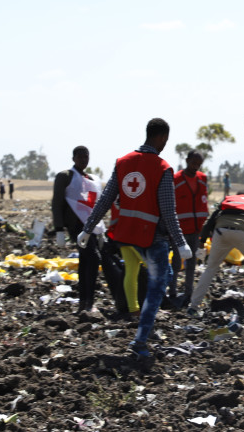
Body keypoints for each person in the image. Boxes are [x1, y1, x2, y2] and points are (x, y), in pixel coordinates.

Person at [79, 118, 192, 359]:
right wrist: (181, 242)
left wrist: (87, 228)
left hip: (126, 235)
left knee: (160, 276)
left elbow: (106, 199)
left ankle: (145, 325)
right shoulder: (162, 168)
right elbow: (168, 211)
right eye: (166, 140)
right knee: (156, 288)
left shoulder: (122, 163)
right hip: (153, 238)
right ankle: (140, 342)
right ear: (162, 138)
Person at [52, 146, 107, 313]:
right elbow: (57, 202)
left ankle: (84, 302)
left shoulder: (92, 180)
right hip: (76, 226)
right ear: (74, 158)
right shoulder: (65, 177)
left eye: (86, 157)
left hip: (91, 227)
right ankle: (88, 302)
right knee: (93, 259)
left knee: (85, 263)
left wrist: (101, 230)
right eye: (81, 157)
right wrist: (59, 229)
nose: (84, 160)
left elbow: (95, 205)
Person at [170, 150, 209, 304]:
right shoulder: (176, 180)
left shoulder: (202, 179)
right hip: (179, 230)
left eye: (199, 165)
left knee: (192, 263)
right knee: (176, 262)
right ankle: (172, 292)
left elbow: (203, 203)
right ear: (187, 160)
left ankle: (188, 293)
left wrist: (204, 227)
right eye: (193, 163)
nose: (196, 167)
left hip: (196, 229)